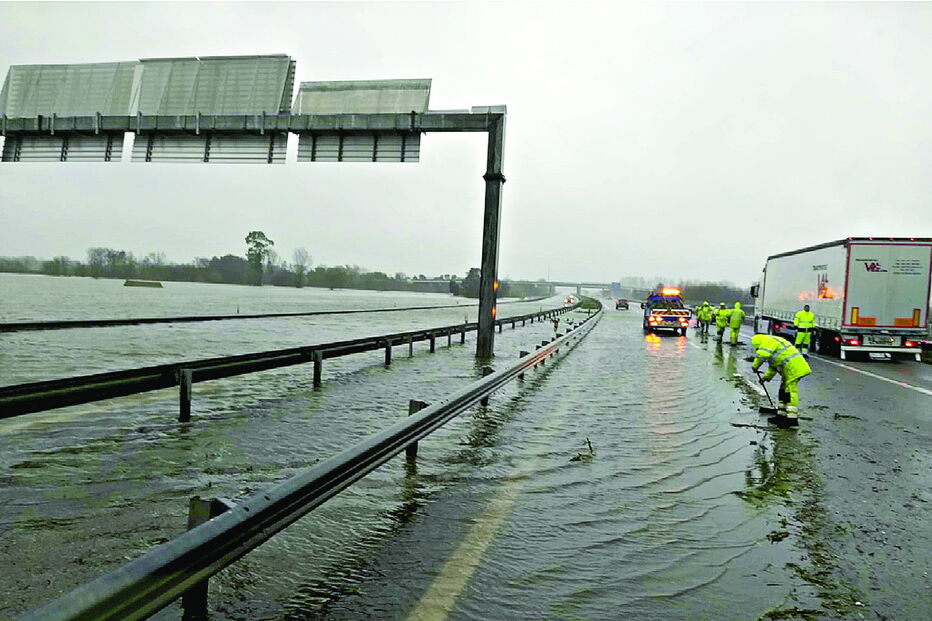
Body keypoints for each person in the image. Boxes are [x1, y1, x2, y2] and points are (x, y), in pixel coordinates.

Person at [749, 333, 812, 427]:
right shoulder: (773, 343)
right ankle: (781, 416)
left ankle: (791, 419)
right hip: (790, 370)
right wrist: (765, 378)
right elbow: (773, 366)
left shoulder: (768, 342)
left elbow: (761, 355)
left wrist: (755, 366)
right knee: (782, 391)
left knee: (789, 393)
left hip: (794, 370)